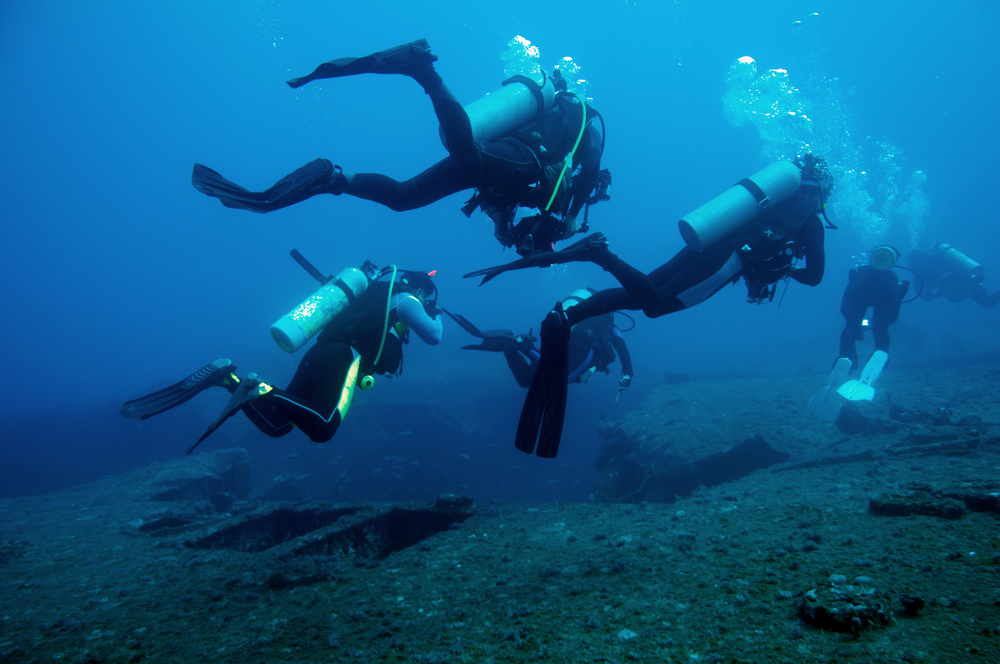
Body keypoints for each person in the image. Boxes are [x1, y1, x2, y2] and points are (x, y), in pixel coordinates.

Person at [505, 153, 834, 457]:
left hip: (709, 240)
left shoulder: (775, 200)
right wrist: (788, 270)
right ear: (823, 192)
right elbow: (815, 276)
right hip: (728, 259)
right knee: (655, 305)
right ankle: (601, 255)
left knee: (641, 292)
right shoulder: (811, 220)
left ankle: (570, 314)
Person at [191, 39, 608, 256]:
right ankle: (422, 69)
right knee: (467, 154)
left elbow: (503, 195)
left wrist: (503, 225)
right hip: (523, 157)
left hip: (500, 164)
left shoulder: (559, 130)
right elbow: (589, 170)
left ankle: (333, 178)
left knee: (404, 198)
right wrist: (573, 217)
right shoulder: (588, 122)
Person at [121, 268, 442, 451]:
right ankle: (261, 389)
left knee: (279, 425)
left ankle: (228, 379)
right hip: (346, 357)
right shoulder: (406, 299)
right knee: (324, 428)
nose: (425, 300)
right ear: (419, 289)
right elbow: (434, 335)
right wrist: (435, 313)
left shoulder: (370, 294)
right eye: (426, 295)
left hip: (319, 352)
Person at [446, 288, 634, 392]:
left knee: (526, 380)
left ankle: (510, 344)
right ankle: (524, 347)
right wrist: (628, 372)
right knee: (558, 379)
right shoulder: (609, 324)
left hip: (557, 337)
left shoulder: (582, 312)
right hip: (579, 346)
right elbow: (621, 345)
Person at [838, 245, 910, 369]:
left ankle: (847, 354)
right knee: (881, 327)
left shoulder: (863, 274)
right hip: (885, 291)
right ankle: (881, 354)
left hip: (860, 289)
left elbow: (848, 303)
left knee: (851, 325)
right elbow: (894, 305)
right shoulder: (891, 278)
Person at [907, 243, 1000, 308]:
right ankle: (975, 279)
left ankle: (974, 280)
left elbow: (927, 297)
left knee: (988, 302)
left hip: (960, 285)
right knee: (988, 302)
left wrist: (939, 292)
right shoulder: (936, 258)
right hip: (966, 280)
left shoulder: (919, 276)